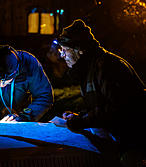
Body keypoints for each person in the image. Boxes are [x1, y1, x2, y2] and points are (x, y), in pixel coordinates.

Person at [53, 19, 146, 165]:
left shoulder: (108, 66)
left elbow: (116, 109)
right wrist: (80, 116)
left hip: (132, 146)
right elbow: (100, 107)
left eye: (64, 50)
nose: (62, 56)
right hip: (119, 144)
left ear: (80, 50)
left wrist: (80, 122)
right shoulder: (91, 67)